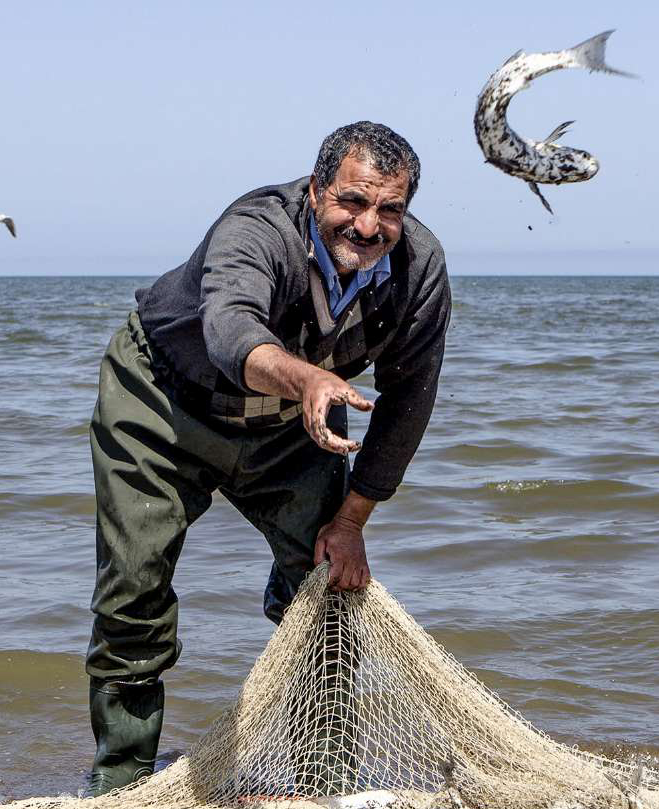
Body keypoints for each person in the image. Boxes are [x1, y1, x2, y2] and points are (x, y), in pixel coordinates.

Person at [83, 121, 450, 795]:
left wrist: (353, 519)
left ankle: (325, 779)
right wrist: (307, 377)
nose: (368, 226)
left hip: (290, 428)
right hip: (163, 398)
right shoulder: (256, 230)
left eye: (390, 209)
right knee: (133, 589)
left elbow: (410, 400)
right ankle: (122, 780)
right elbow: (228, 330)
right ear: (315, 192)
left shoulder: (418, 270)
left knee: (330, 588)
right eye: (352, 202)